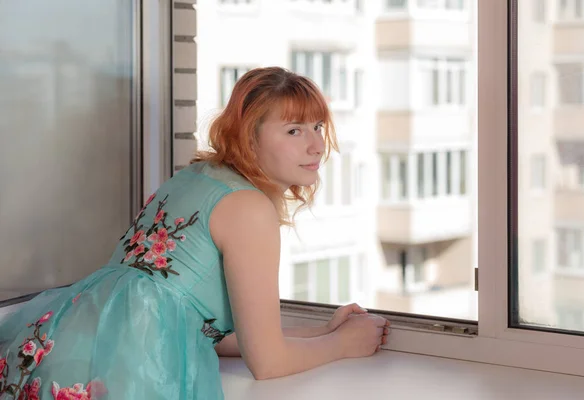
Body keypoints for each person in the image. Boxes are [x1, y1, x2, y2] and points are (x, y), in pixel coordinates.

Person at [0, 67, 390, 400]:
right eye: (293, 130)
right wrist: (344, 344)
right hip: (119, 369)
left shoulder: (194, 178)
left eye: (318, 126)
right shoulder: (249, 209)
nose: (317, 145)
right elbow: (268, 364)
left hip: (63, 349)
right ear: (249, 137)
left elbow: (197, 329)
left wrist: (321, 329)